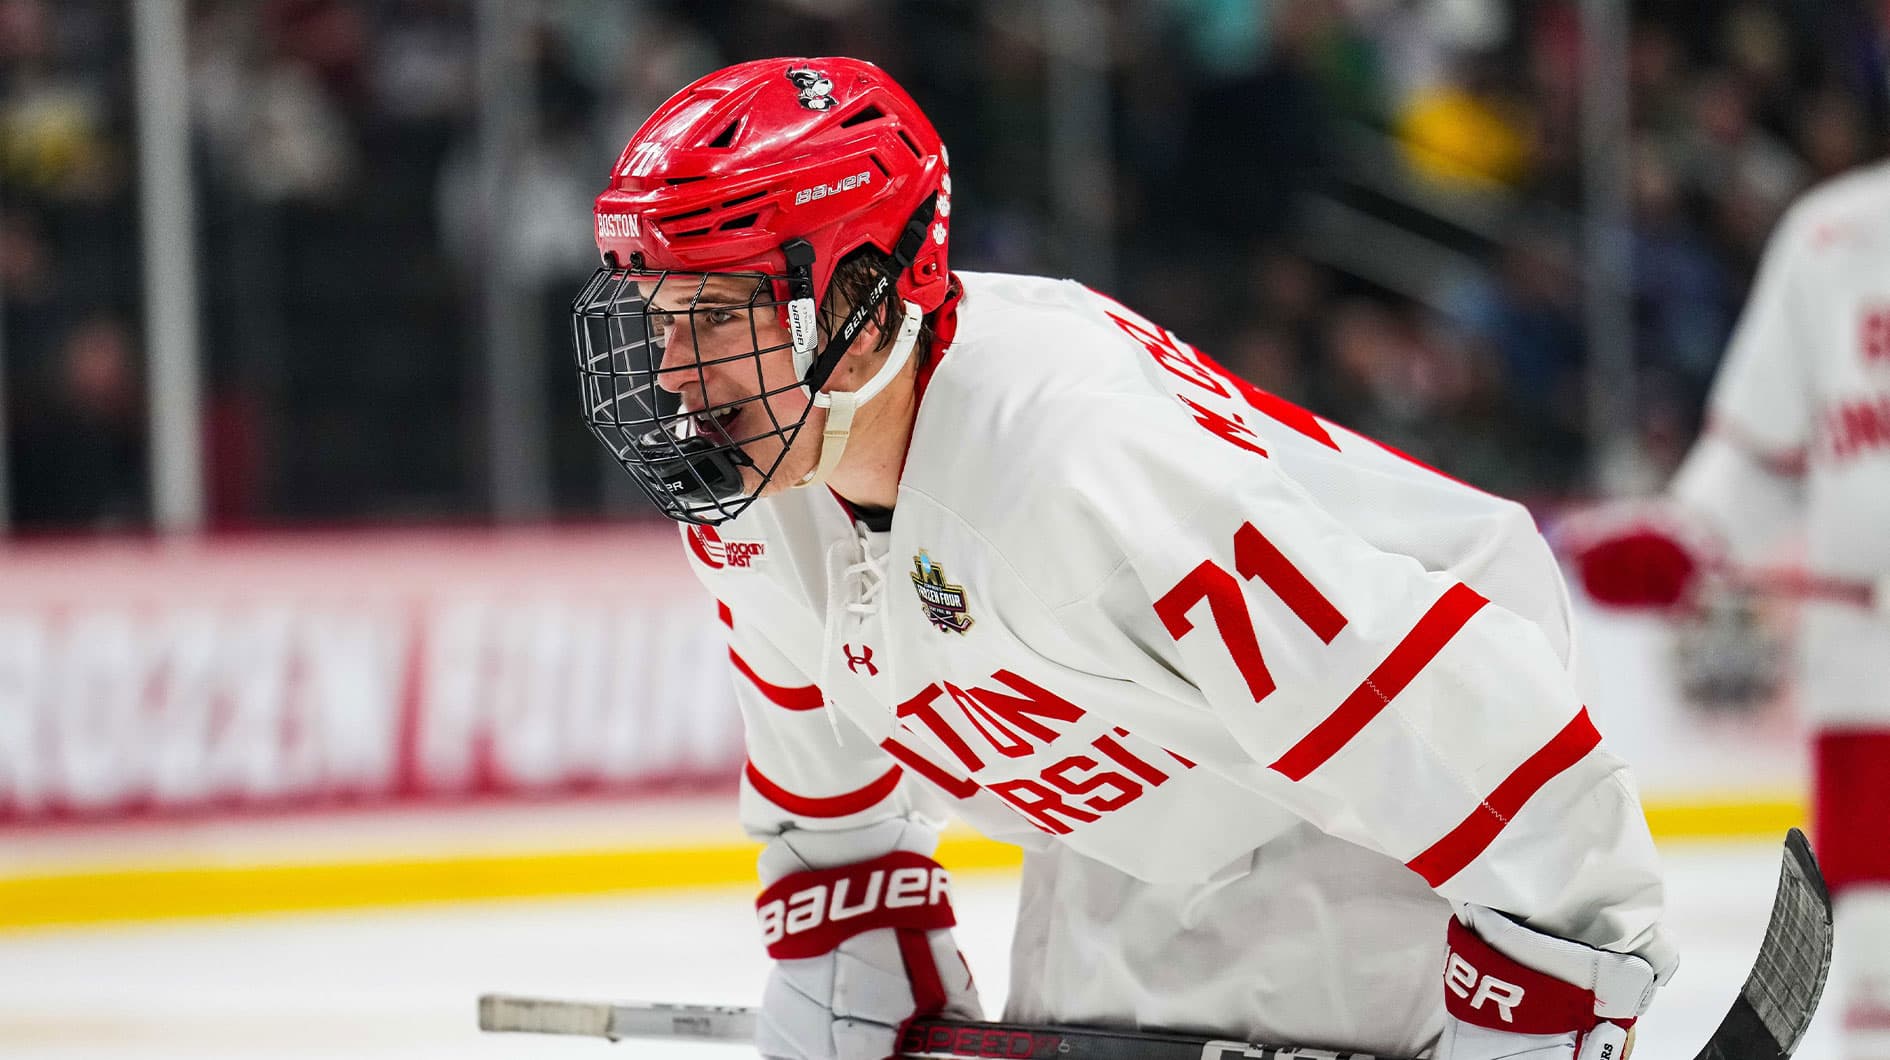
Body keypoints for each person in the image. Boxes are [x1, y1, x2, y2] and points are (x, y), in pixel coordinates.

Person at [573, 57, 1674, 1060]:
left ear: (860, 304)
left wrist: (1563, 975)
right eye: (664, 319)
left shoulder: (1079, 469)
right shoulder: (762, 479)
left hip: (1371, 839)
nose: (672, 376)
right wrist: (847, 932)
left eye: (715, 317)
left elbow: (1472, 724)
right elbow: (822, 767)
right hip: (1125, 841)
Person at [1568, 159, 1890, 1060]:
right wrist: (1689, 536)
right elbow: (1759, 461)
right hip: (1869, 683)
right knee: (1879, 981)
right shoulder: (1834, 237)